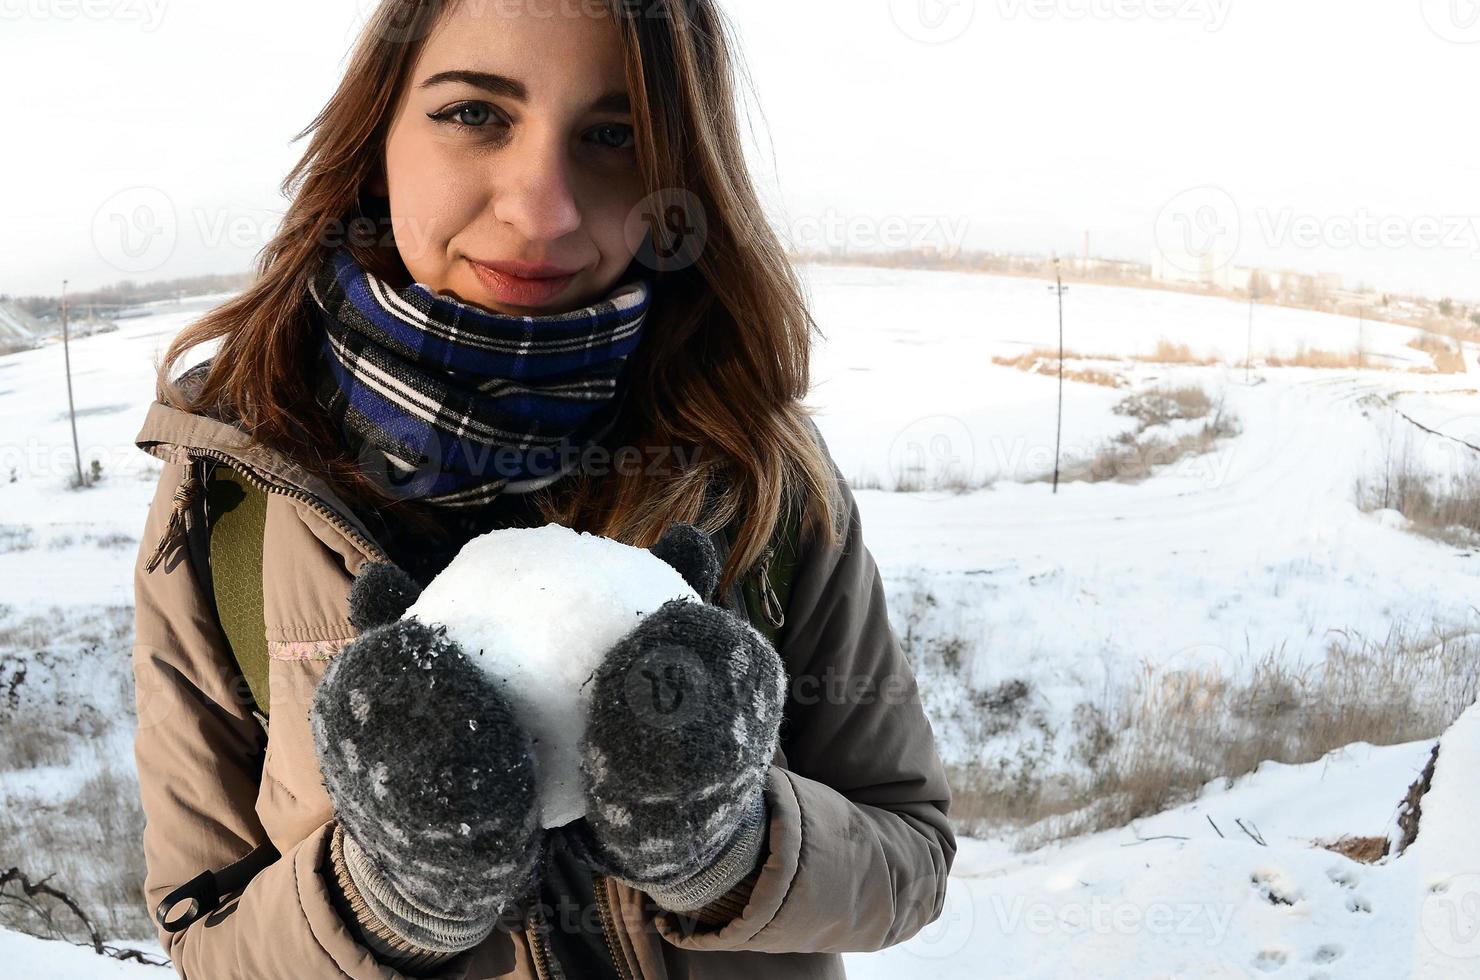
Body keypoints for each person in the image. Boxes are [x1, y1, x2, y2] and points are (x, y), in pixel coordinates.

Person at [130, 1, 955, 977]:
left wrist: (723, 846)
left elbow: (910, 852)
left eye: (615, 136)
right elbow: (203, 924)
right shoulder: (236, 497)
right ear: (378, 131)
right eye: (475, 113)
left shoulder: (758, 475)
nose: (542, 207)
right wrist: (388, 895)